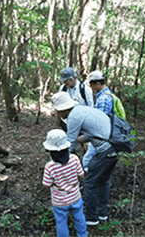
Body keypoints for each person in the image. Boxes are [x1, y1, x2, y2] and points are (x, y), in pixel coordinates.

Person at [51, 92, 118, 226]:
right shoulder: (81, 110)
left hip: (104, 151)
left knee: (89, 183)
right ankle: (102, 214)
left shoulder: (74, 117)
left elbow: (69, 144)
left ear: (64, 109)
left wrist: (58, 163)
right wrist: (76, 140)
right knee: (104, 180)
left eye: (58, 111)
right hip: (114, 148)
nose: (58, 114)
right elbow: (91, 133)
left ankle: (92, 217)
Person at [42, 129, 88, 237]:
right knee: (79, 217)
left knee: (61, 222)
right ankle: (82, 234)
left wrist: (55, 183)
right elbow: (81, 175)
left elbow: (46, 184)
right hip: (75, 196)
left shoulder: (50, 166)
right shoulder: (75, 159)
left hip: (59, 201)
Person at [81, 71, 114, 171]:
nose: (91, 88)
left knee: (87, 161)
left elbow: (101, 122)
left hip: (101, 138)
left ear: (98, 84)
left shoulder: (103, 99)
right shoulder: (106, 95)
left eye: (91, 85)